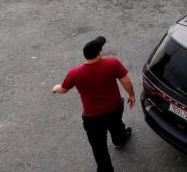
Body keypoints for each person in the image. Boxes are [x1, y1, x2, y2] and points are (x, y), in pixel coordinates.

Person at [52, 36, 136, 172]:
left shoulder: (75, 73)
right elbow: (126, 81)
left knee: (99, 147)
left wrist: (56, 88)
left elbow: (63, 89)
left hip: (92, 118)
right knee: (116, 125)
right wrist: (131, 95)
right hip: (114, 108)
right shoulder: (113, 63)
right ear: (100, 53)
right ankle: (119, 140)